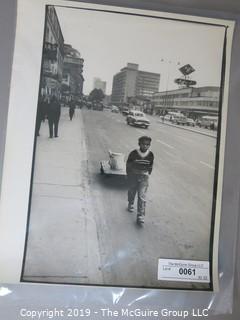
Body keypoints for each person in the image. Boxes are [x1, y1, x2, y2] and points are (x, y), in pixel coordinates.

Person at [126, 136, 154, 224]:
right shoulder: (134, 153)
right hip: (133, 176)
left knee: (142, 196)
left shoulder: (151, 155)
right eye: (143, 144)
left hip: (144, 177)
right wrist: (129, 175)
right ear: (139, 144)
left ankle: (140, 215)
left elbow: (150, 166)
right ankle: (130, 203)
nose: (145, 146)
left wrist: (147, 173)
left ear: (149, 145)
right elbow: (128, 164)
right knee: (131, 191)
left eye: (147, 145)